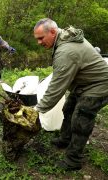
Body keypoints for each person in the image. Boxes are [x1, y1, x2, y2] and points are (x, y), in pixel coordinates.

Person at [33, 18, 108, 171]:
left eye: (41, 38)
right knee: (68, 109)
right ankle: (65, 139)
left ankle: (73, 160)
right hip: (84, 83)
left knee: (81, 119)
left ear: (53, 32)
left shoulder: (66, 52)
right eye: (37, 39)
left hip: (99, 85)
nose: (39, 43)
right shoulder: (62, 38)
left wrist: (36, 110)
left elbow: (56, 88)